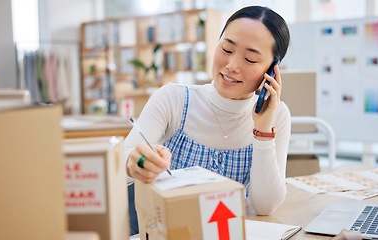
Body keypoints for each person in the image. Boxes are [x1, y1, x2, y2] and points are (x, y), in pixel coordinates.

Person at [124, 5, 291, 234]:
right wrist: (135, 162)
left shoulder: (277, 116)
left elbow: (265, 206)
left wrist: (262, 131)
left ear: (271, 71)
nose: (232, 66)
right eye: (226, 49)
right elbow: (124, 162)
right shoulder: (174, 99)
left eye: (250, 59)